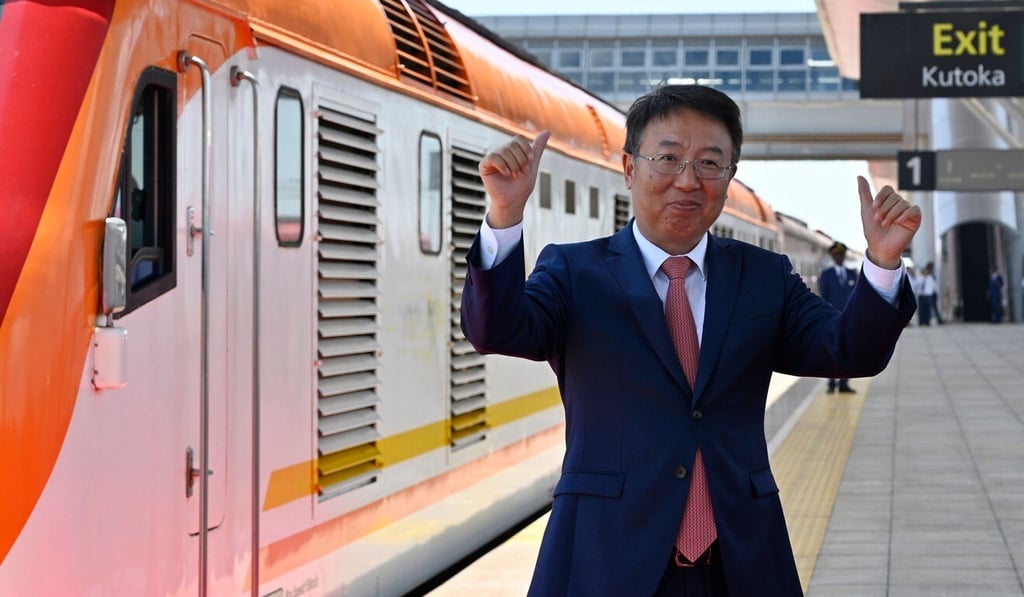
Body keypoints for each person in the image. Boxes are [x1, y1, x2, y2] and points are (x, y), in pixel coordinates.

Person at [460, 84, 920, 596]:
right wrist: (504, 217)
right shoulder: (574, 272)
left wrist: (881, 264)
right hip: (606, 559)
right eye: (669, 158)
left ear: (729, 178)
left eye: (709, 163)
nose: (687, 180)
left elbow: (849, 350)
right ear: (630, 168)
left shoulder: (764, 277)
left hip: (739, 562)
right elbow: (495, 330)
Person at [818, 241, 858, 393]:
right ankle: (831, 382)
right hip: (832, 319)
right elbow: (824, 296)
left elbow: (856, 296)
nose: (839, 258)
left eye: (841, 255)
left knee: (847, 350)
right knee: (831, 351)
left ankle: (844, 383)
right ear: (833, 257)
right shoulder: (826, 275)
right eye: (836, 255)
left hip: (849, 318)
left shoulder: (851, 273)